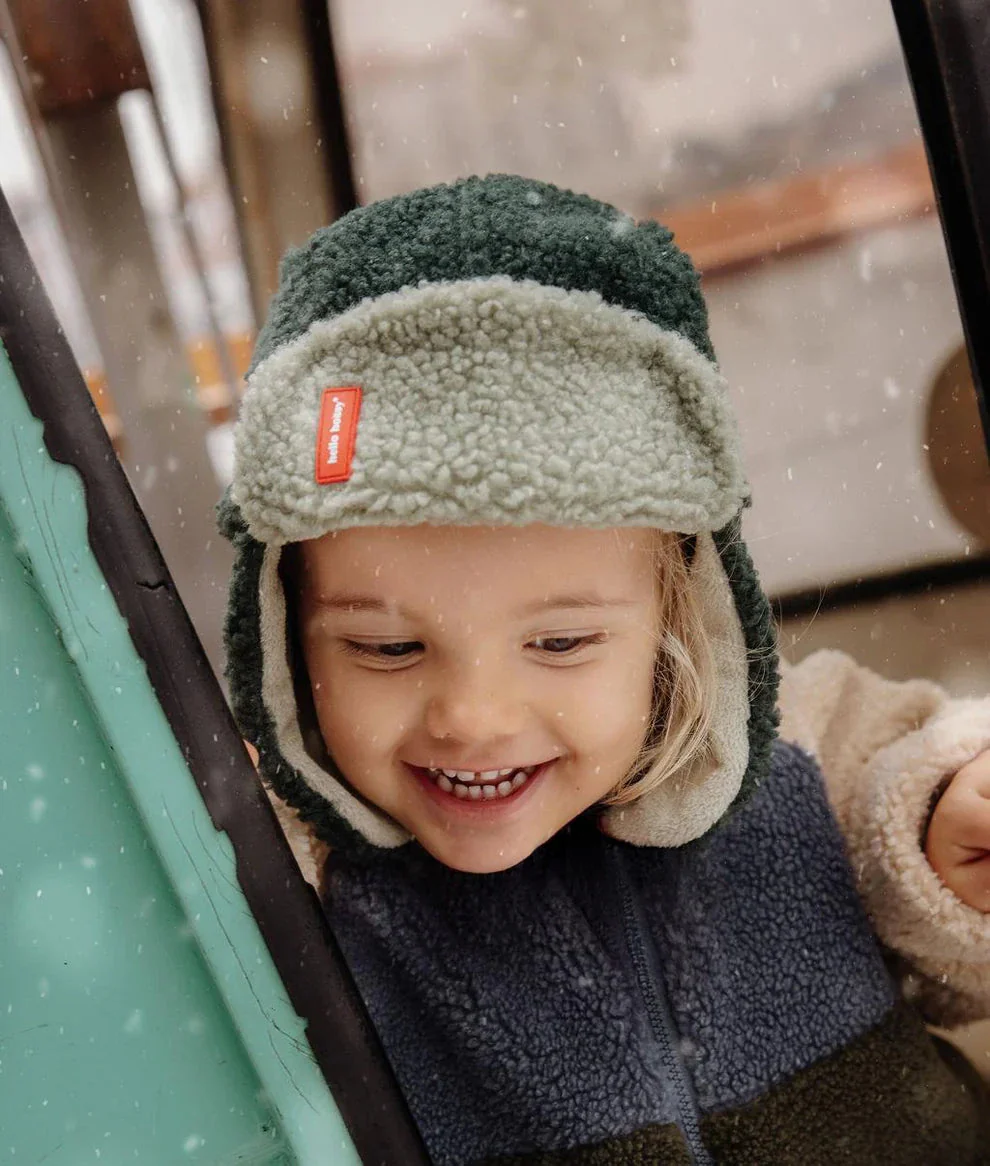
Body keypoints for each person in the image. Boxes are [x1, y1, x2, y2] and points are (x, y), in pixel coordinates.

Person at [218, 174, 990, 1164]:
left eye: (560, 643)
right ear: (288, 647)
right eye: (388, 648)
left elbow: (927, 871)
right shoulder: (291, 894)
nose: (473, 715)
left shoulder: (801, 745)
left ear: (679, 607)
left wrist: (945, 840)